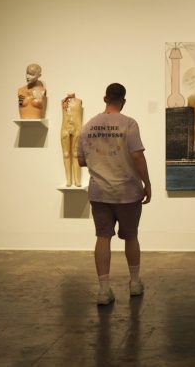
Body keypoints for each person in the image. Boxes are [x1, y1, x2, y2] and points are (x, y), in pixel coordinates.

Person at [77, 83, 152, 305]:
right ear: (124, 100)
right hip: (128, 192)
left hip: (99, 192)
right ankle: (135, 283)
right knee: (131, 236)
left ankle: (103, 290)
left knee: (103, 237)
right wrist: (147, 183)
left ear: (104, 98)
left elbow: (81, 160)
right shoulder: (129, 123)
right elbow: (138, 156)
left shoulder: (88, 126)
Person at [61, 93, 83, 187]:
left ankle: (77, 180)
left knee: (75, 154)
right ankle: (68, 180)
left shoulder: (79, 101)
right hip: (65, 128)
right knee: (66, 154)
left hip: (77, 128)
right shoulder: (63, 101)